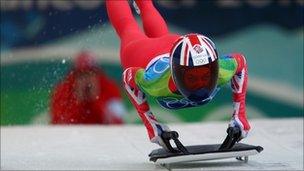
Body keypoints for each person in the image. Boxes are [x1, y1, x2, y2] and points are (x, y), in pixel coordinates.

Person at [106, 0, 250, 151]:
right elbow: (128, 77)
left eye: (206, 76)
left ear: (214, 69)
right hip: (143, 52)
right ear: (176, 75)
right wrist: (151, 124)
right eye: (192, 79)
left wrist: (239, 115)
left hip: (172, 47)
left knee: (149, 25)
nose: (200, 85)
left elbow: (241, 62)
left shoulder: (220, 71)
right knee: (127, 28)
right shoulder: (155, 81)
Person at [50, 51, 126, 124]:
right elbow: (58, 123)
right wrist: (78, 101)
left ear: (97, 74)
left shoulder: (110, 88)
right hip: (73, 135)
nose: (86, 79)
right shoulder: (63, 90)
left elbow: (117, 122)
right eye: (81, 75)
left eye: (90, 74)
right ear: (75, 76)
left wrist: (96, 100)